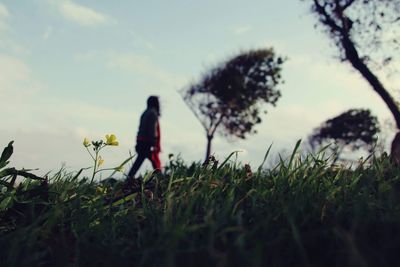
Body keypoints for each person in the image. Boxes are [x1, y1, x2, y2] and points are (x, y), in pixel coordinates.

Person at [127, 96, 162, 181]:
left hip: (141, 141)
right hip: (147, 142)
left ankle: (128, 178)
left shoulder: (145, 112)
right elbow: (152, 129)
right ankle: (162, 179)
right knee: (154, 162)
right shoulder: (153, 113)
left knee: (141, 161)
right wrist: (153, 143)